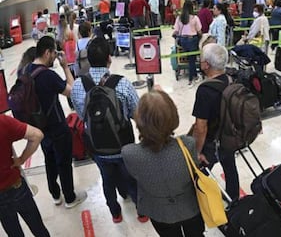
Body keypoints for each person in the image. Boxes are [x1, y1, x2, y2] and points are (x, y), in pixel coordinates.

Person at [71, 37, 146, 224]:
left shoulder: (79, 86)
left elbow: (82, 116)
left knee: (107, 179)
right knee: (130, 176)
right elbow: (136, 113)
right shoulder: (122, 84)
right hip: (123, 145)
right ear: (109, 58)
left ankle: (115, 213)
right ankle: (141, 212)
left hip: (97, 146)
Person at [122, 90, 204, 237]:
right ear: (173, 117)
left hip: (158, 210)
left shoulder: (129, 153)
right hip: (190, 206)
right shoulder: (188, 144)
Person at [27, 36, 87, 209]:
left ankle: (55, 194)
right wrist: (65, 67)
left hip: (40, 128)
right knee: (64, 163)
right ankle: (69, 198)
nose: (55, 56)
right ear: (47, 53)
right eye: (54, 52)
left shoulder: (27, 71)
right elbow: (73, 91)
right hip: (57, 128)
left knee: (49, 161)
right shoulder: (48, 76)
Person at [192, 43, 240, 201]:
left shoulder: (205, 90)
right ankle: (233, 197)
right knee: (230, 167)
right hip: (229, 135)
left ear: (206, 64)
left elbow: (201, 128)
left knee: (201, 170)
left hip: (213, 141)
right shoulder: (230, 79)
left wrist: (198, 152)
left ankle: (198, 199)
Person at [0, 115, 50, 237]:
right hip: (15, 185)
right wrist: (21, 159)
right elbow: (36, 135)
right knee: (37, 227)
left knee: (14, 232)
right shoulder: (3, 121)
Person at [172, 0, 202, 87]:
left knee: (190, 59)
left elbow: (176, 31)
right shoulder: (194, 18)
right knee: (192, 60)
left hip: (183, 42)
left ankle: (195, 75)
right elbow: (199, 31)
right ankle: (191, 79)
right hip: (192, 41)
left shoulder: (179, 18)